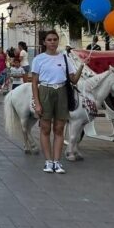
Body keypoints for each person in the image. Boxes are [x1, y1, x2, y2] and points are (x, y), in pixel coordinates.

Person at [31, 30, 84, 174]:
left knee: (59, 129)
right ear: (44, 42)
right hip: (45, 91)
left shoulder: (65, 58)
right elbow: (34, 82)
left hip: (61, 92)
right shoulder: (39, 59)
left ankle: (57, 161)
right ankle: (48, 161)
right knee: (45, 128)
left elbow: (73, 80)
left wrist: (82, 66)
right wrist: (37, 102)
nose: (52, 42)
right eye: (49, 40)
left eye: (55, 39)